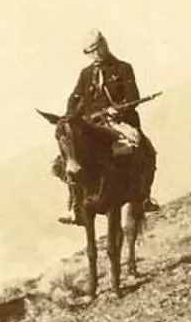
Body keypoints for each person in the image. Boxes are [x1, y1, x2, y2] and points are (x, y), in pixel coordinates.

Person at [57, 29, 160, 225]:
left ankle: (143, 196)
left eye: (97, 49)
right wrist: (72, 116)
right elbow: (74, 97)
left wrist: (116, 111)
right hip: (91, 123)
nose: (95, 54)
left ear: (104, 44)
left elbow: (132, 97)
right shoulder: (85, 74)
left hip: (117, 122)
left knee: (141, 145)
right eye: (89, 52)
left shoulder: (123, 68)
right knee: (67, 157)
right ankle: (74, 205)